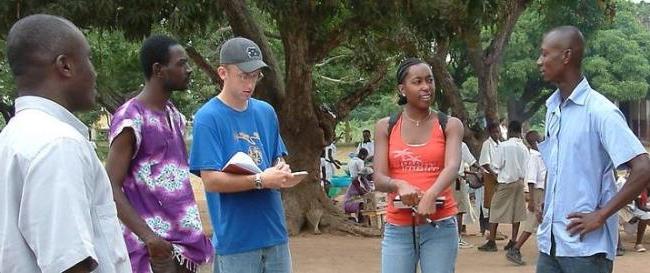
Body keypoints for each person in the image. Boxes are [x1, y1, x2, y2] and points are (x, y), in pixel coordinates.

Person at [0, 14, 132, 272]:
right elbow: (70, 263)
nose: (94, 71)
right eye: (89, 59)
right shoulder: (59, 144)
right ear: (65, 66)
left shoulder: (14, 136)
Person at [535, 26, 650, 273]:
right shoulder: (553, 109)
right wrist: (549, 200)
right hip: (551, 244)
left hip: (586, 251)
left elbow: (643, 168)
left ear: (566, 56)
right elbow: (561, 164)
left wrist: (601, 215)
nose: (539, 61)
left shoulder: (601, 112)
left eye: (545, 54)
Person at [104, 35, 213, 273]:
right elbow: (109, 185)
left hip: (184, 249)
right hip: (153, 252)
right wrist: (149, 237)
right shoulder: (131, 119)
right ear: (158, 70)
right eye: (181, 63)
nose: (189, 70)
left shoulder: (175, 116)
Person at [189, 37, 298, 273]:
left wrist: (281, 170)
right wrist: (259, 180)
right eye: (243, 75)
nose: (250, 83)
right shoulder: (207, 118)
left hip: (275, 233)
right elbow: (210, 180)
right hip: (237, 240)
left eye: (255, 75)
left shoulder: (266, 112)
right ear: (222, 72)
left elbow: (276, 158)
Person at [373, 58, 463, 273]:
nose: (426, 87)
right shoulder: (385, 126)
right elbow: (379, 178)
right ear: (402, 89)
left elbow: (452, 166)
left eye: (430, 80)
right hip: (398, 228)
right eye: (418, 81)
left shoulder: (450, 125)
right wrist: (400, 185)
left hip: (440, 226)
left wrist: (431, 195)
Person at [478, 121, 529, 252]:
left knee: (495, 209)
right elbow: (527, 168)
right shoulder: (524, 148)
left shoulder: (504, 146)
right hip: (519, 182)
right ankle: (513, 240)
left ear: (510, 131)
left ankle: (491, 241)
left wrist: (497, 176)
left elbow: (496, 165)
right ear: (519, 132)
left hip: (505, 182)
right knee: (516, 211)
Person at [506, 130, 546, 265]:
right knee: (531, 223)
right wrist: (532, 200)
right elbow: (531, 180)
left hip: (544, 192)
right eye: (540, 139)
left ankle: (547, 252)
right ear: (535, 142)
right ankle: (515, 248)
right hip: (538, 192)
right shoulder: (535, 157)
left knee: (544, 223)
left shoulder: (542, 155)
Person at [478, 122, 502, 237]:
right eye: (495, 132)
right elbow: (485, 163)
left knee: (498, 204)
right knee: (491, 204)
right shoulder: (487, 144)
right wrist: (494, 175)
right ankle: (490, 231)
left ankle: (494, 230)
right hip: (491, 176)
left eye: (498, 131)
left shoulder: (500, 144)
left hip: (500, 176)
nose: (497, 134)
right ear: (490, 132)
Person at [615, 171, 650, 253]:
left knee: (646, 216)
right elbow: (618, 202)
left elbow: (639, 206)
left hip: (630, 209)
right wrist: (629, 217)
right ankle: (618, 246)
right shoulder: (621, 183)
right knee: (613, 219)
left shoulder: (638, 184)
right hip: (618, 209)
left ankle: (638, 244)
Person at [455, 142, 480, 248]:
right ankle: (457, 239)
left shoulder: (442, 142)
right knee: (459, 210)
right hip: (456, 179)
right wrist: (481, 169)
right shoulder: (460, 144)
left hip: (444, 179)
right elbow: (471, 161)